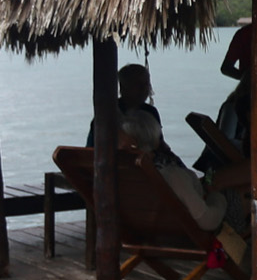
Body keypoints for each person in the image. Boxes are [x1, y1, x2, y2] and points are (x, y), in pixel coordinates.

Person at [91, 63, 229, 232]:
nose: (145, 89)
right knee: (210, 187)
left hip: (143, 193)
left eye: (147, 84)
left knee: (198, 180)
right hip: (154, 187)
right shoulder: (109, 119)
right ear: (122, 87)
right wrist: (218, 198)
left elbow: (161, 146)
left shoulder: (149, 112)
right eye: (139, 84)